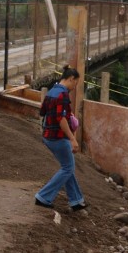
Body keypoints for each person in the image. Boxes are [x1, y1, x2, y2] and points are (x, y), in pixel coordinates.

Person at [35, 65, 87, 211]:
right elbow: (61, 119)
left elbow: (42, 112)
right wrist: (72, 138)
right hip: (58, 137)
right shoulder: (62, 95)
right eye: (75, 84)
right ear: (71, 79)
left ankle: (76, 200)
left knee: (67, 166)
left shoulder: (51, 91)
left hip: (47, 135)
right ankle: (43, 197)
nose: (74, 87)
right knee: (68, 167)